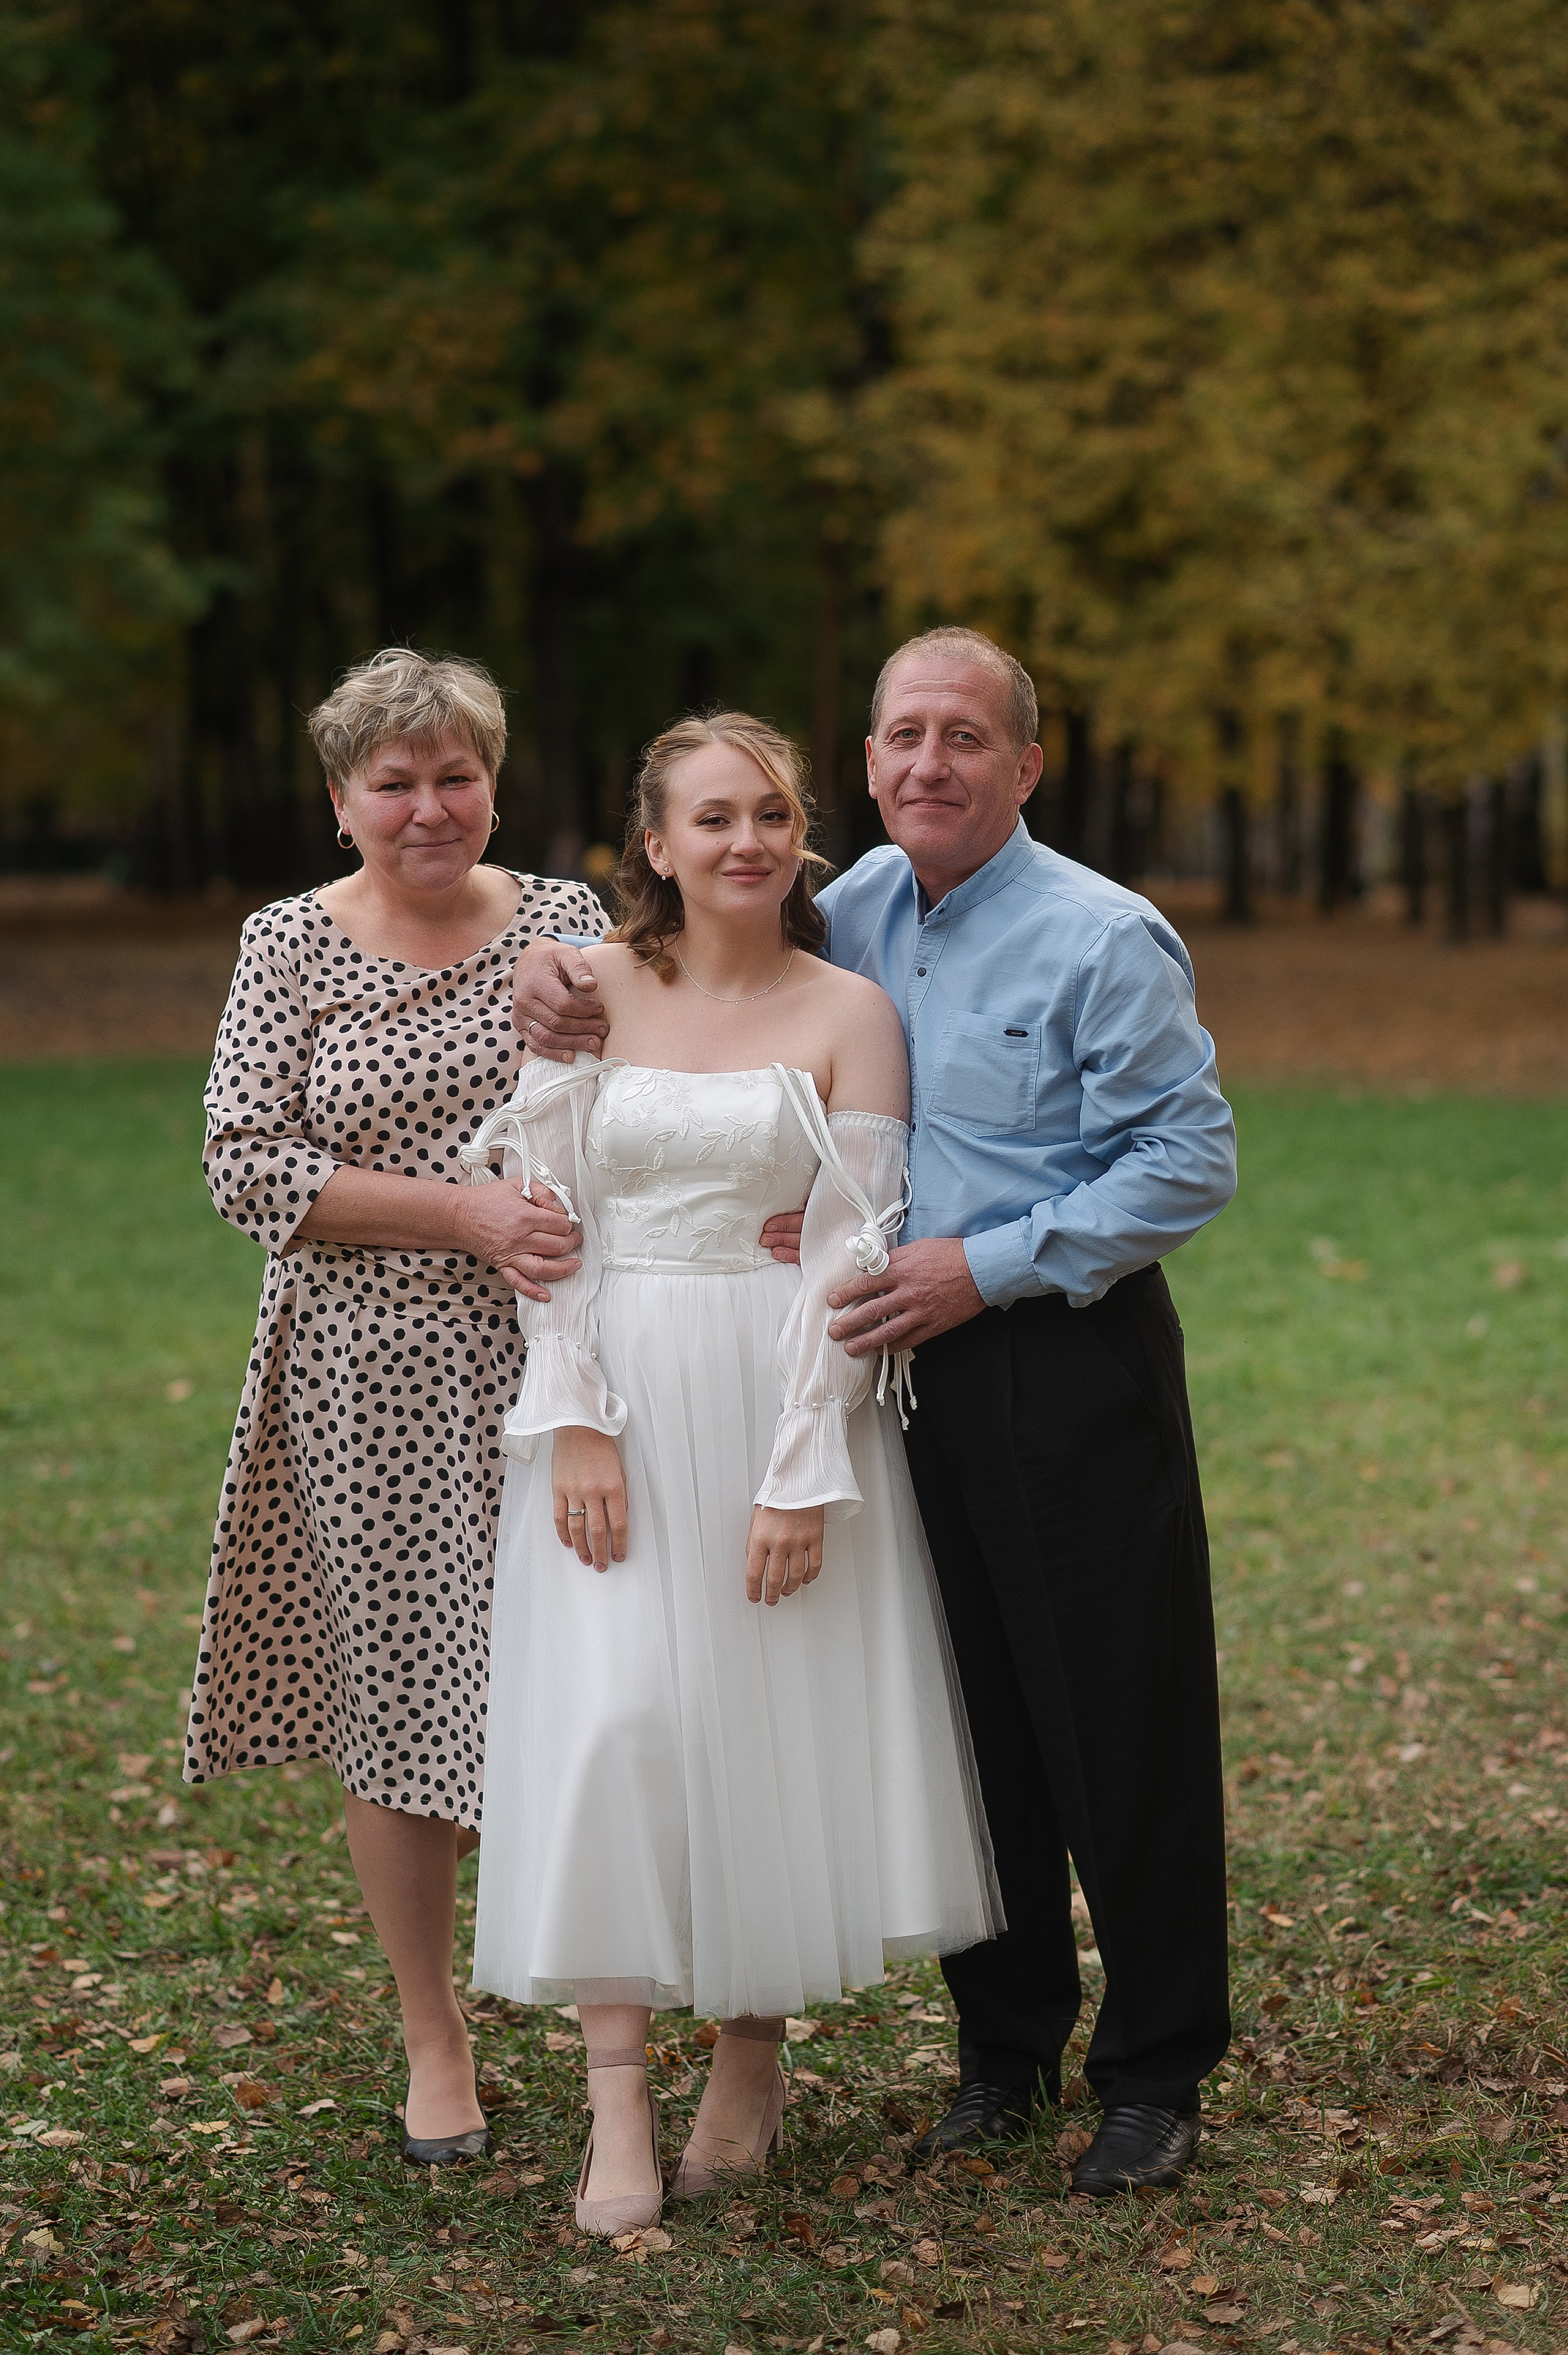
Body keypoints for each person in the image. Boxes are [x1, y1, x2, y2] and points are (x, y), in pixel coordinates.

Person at [511, 628, 1238, 2195]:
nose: (930, 762)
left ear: (1025, 764)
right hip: (868, 1368)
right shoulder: (845, 914)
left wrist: (979, 1264)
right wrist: (548, 968)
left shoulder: (1100, 935)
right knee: (967, 1711)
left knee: (1115, 1714)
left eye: (965, 736)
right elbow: (690, 981)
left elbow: (1187, 1159)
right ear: (866, 763)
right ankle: (1004, 2047)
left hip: (1055, 1355)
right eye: (903, 733)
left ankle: (1156, 2065)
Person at [468, 711, 997, 2236]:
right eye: (710, 819)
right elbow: (544, 1215)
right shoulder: (589, 996)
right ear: (654, 843)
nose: (744, 842)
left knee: (764, 1722)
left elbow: (851, 1250)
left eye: (768, 813)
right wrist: (571, 1417)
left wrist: (799, 1466)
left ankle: (750, 2052)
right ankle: (616, 2097)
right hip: (614, 1390)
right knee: (620, 1723)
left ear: (801, 831)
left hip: (781, 1396)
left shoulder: (850, 1011)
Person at [184, 648, 608, 2166]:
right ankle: (436, 2036)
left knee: (584, 1675)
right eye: (395, 781)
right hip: (364, 1376)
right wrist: (465, 1214)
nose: (430, 807)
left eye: (456, 774)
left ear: (492, 779)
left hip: (562, 1359)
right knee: (398, 1701)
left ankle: (601, 2003)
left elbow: (655, 1091)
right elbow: (246, 1164)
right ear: (342, 797)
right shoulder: (288, 941)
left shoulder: (569, 920)